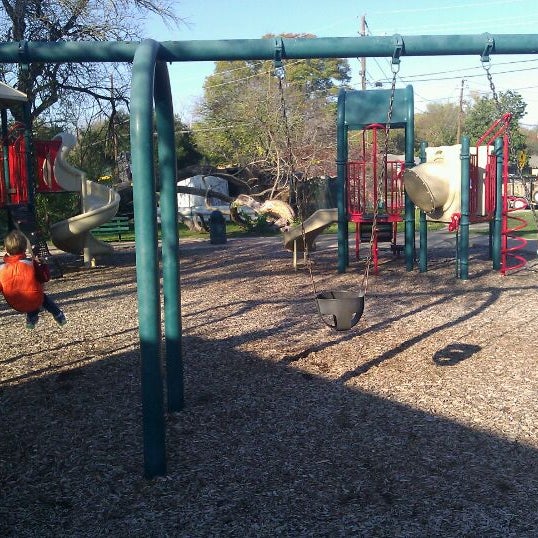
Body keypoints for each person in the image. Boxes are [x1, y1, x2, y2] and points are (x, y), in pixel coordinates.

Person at [0, 229, 66, 329]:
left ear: (6, 249)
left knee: (29, 294)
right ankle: (57, 314)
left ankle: (32, 319)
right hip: (34, 299)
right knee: (39, 296)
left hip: (15, 302)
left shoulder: (2, 269)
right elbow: (44, 278)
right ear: (25, 248)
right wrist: (43, 265)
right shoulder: (30, 263)